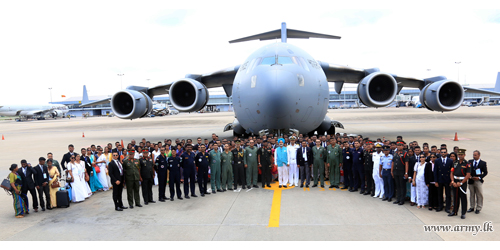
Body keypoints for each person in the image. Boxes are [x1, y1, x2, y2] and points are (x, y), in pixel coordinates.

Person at [449, 149, 471, 219]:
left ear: (464, 155)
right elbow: (452, 173)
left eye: (461, 154)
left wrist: (461, 183)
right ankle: (454, 211)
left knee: (463, 198)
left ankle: (463, 213)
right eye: (459, 154)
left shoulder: (467, 164)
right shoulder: (455, 163)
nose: (460, 156)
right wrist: (453, 181)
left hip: (462, 183)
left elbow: (468, 175)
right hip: (455, 182)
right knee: (455, 198)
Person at [467, 150, 487, 214]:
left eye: (475, 155)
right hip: (471, 180)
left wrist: (479, 177)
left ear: (479, 155)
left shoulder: (483, 163)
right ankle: (472, 207)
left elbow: (485, 172)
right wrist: (469, 176)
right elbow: (467, 170)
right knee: (472, 194)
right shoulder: (470, 162)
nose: (474, 156)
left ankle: (478, 208)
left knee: (479, 194)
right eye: (473, 155)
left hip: (478, 181)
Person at [434, 148, 453, 213]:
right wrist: (436, 181)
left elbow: (452, 171)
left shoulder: (450, 161)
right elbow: (435, 171)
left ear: (447, 153)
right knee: (439, 194)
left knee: (448, 194)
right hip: (440, 180)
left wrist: (451, 180)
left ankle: (447, 207)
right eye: (442, 152)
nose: (443, 153)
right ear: (440, 153)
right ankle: (440, 206)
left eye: (444, 152)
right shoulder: (437, 160)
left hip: (447, 180)